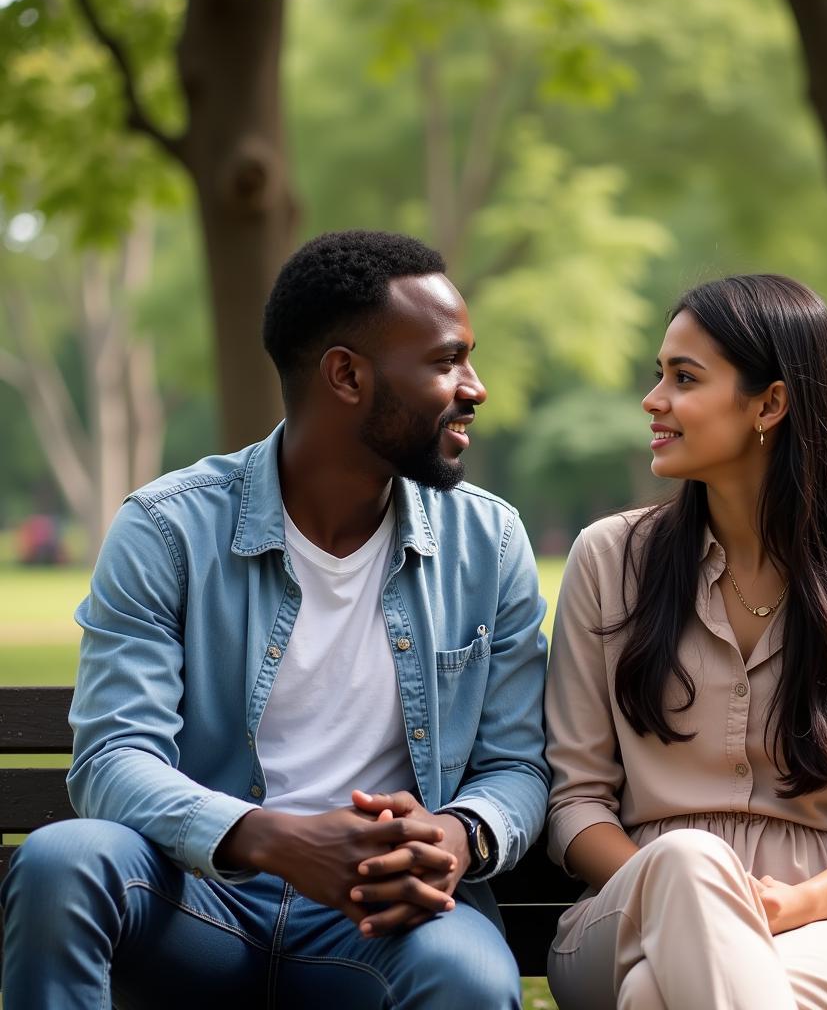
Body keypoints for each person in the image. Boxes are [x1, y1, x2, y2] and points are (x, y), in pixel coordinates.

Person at [0, 230, 550, 1009]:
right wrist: (275, 840)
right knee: (64, 861)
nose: (475, 386)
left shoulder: (488, 543)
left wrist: (459, 834)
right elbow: (113, 758)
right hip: (197, 902)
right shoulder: (168, 530)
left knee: (470, 976)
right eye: (445, 360)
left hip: (381, 917)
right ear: (346, 375)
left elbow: (518, 764)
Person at [544, 274, 827, 1009]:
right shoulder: (608, 560)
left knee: (652, 998)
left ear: (770, 403)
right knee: (690, 869)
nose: (652, 399)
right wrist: (679, 893)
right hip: (628, 903)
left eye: (683, 377)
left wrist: (798, 905)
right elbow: (575, 803)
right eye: (659, 373)